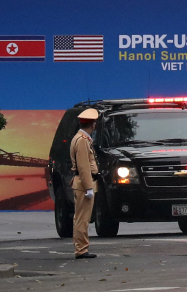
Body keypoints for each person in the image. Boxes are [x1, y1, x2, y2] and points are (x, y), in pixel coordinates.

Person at [71, 108, 99, 259]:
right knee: (83, 218)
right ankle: (81, 249)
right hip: (83, 184)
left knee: (81, 217)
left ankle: (81, 247)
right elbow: (83, 166)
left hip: (82, 183)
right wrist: (89, 187)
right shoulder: (82, 141)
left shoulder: (81, 138)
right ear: (93, 124)